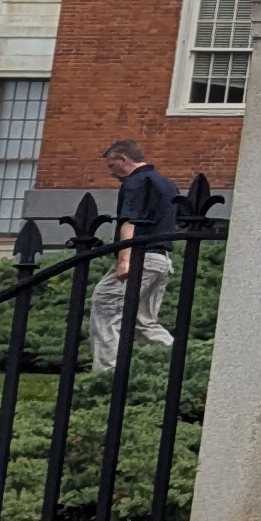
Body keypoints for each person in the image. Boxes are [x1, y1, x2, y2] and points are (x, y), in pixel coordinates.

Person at [88, 140, 182, 376]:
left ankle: (107, 374)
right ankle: (186, 360)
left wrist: (124, 260)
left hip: (142, 258)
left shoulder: (135, 182)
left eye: (112, 165)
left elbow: (129, 221)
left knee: (106, 304)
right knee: (142, 322)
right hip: (162, 260)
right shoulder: (167, 184)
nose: (111, 172)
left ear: (124, 159)